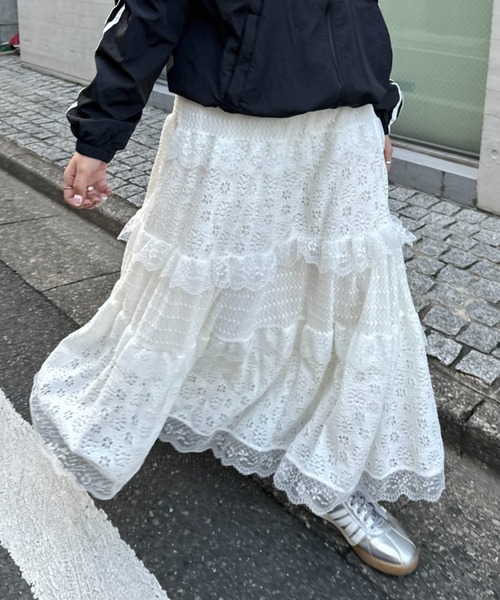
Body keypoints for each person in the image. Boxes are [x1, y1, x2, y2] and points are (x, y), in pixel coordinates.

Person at [30, 0, 445, 577]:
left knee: (340, 303)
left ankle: (332, 473)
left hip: (341, 132)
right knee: (206, 294)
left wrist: (376, 108)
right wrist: (97, 136)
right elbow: (148, 12)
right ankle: (179, 396)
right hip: (233, 132)